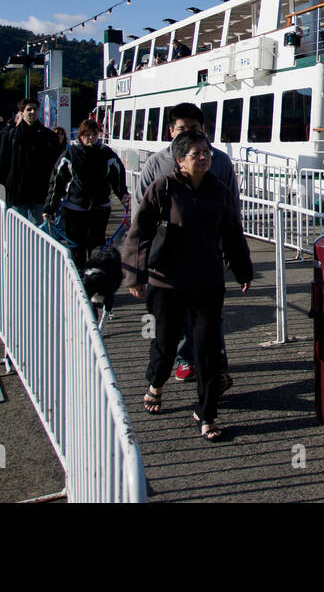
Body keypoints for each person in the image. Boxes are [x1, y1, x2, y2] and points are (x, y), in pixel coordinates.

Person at [123, 131, 254, 442]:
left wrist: (243, 269)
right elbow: (140, 232)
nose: (204, 157)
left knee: (206, 349)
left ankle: (207, 413)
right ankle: (156, 383)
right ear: (180, 160)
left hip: (207, 282)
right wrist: (136, 275)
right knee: (166, 344)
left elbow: (233, 233)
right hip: (166, 282)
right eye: (196, 154)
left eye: (206, 152)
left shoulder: (218, 191)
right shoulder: (163, 188)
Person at [134, 102, 240, 382]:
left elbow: (232, 207)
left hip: (208, 251)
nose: (188, 133)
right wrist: (138, 263)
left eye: (194, 128)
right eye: (182, 129)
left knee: (210, 312)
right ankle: (184, 360)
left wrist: (234, 248)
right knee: (175, 315)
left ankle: (215, 363)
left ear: (203, 129)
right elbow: (140, 214)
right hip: (168, 255)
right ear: (171, 131)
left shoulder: (219, 161)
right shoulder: (156, 163)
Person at [45, 119, 130, 271]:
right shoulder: (70, 154)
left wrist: (122, 194)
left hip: (100, 208)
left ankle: (94, 279)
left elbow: (117, 176)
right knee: (77, 248)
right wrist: (50, 207)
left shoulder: (106, 153)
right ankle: (77, 280)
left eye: (94, 135)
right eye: (87, 135)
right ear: (80, 136)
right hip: (74, 209)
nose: (90, 138)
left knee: (97, 247)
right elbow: (57, 181)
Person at [0, 99, 60, 223]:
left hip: (40, 194)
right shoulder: (9, 136)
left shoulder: (49, 137)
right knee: (19, 233)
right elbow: (2, 166)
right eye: (29, 109)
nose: (32, 112)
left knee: (40, 233)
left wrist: (54, 196)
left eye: (35, 109)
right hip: (16, 194)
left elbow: (55, 168)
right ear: (21, 113)